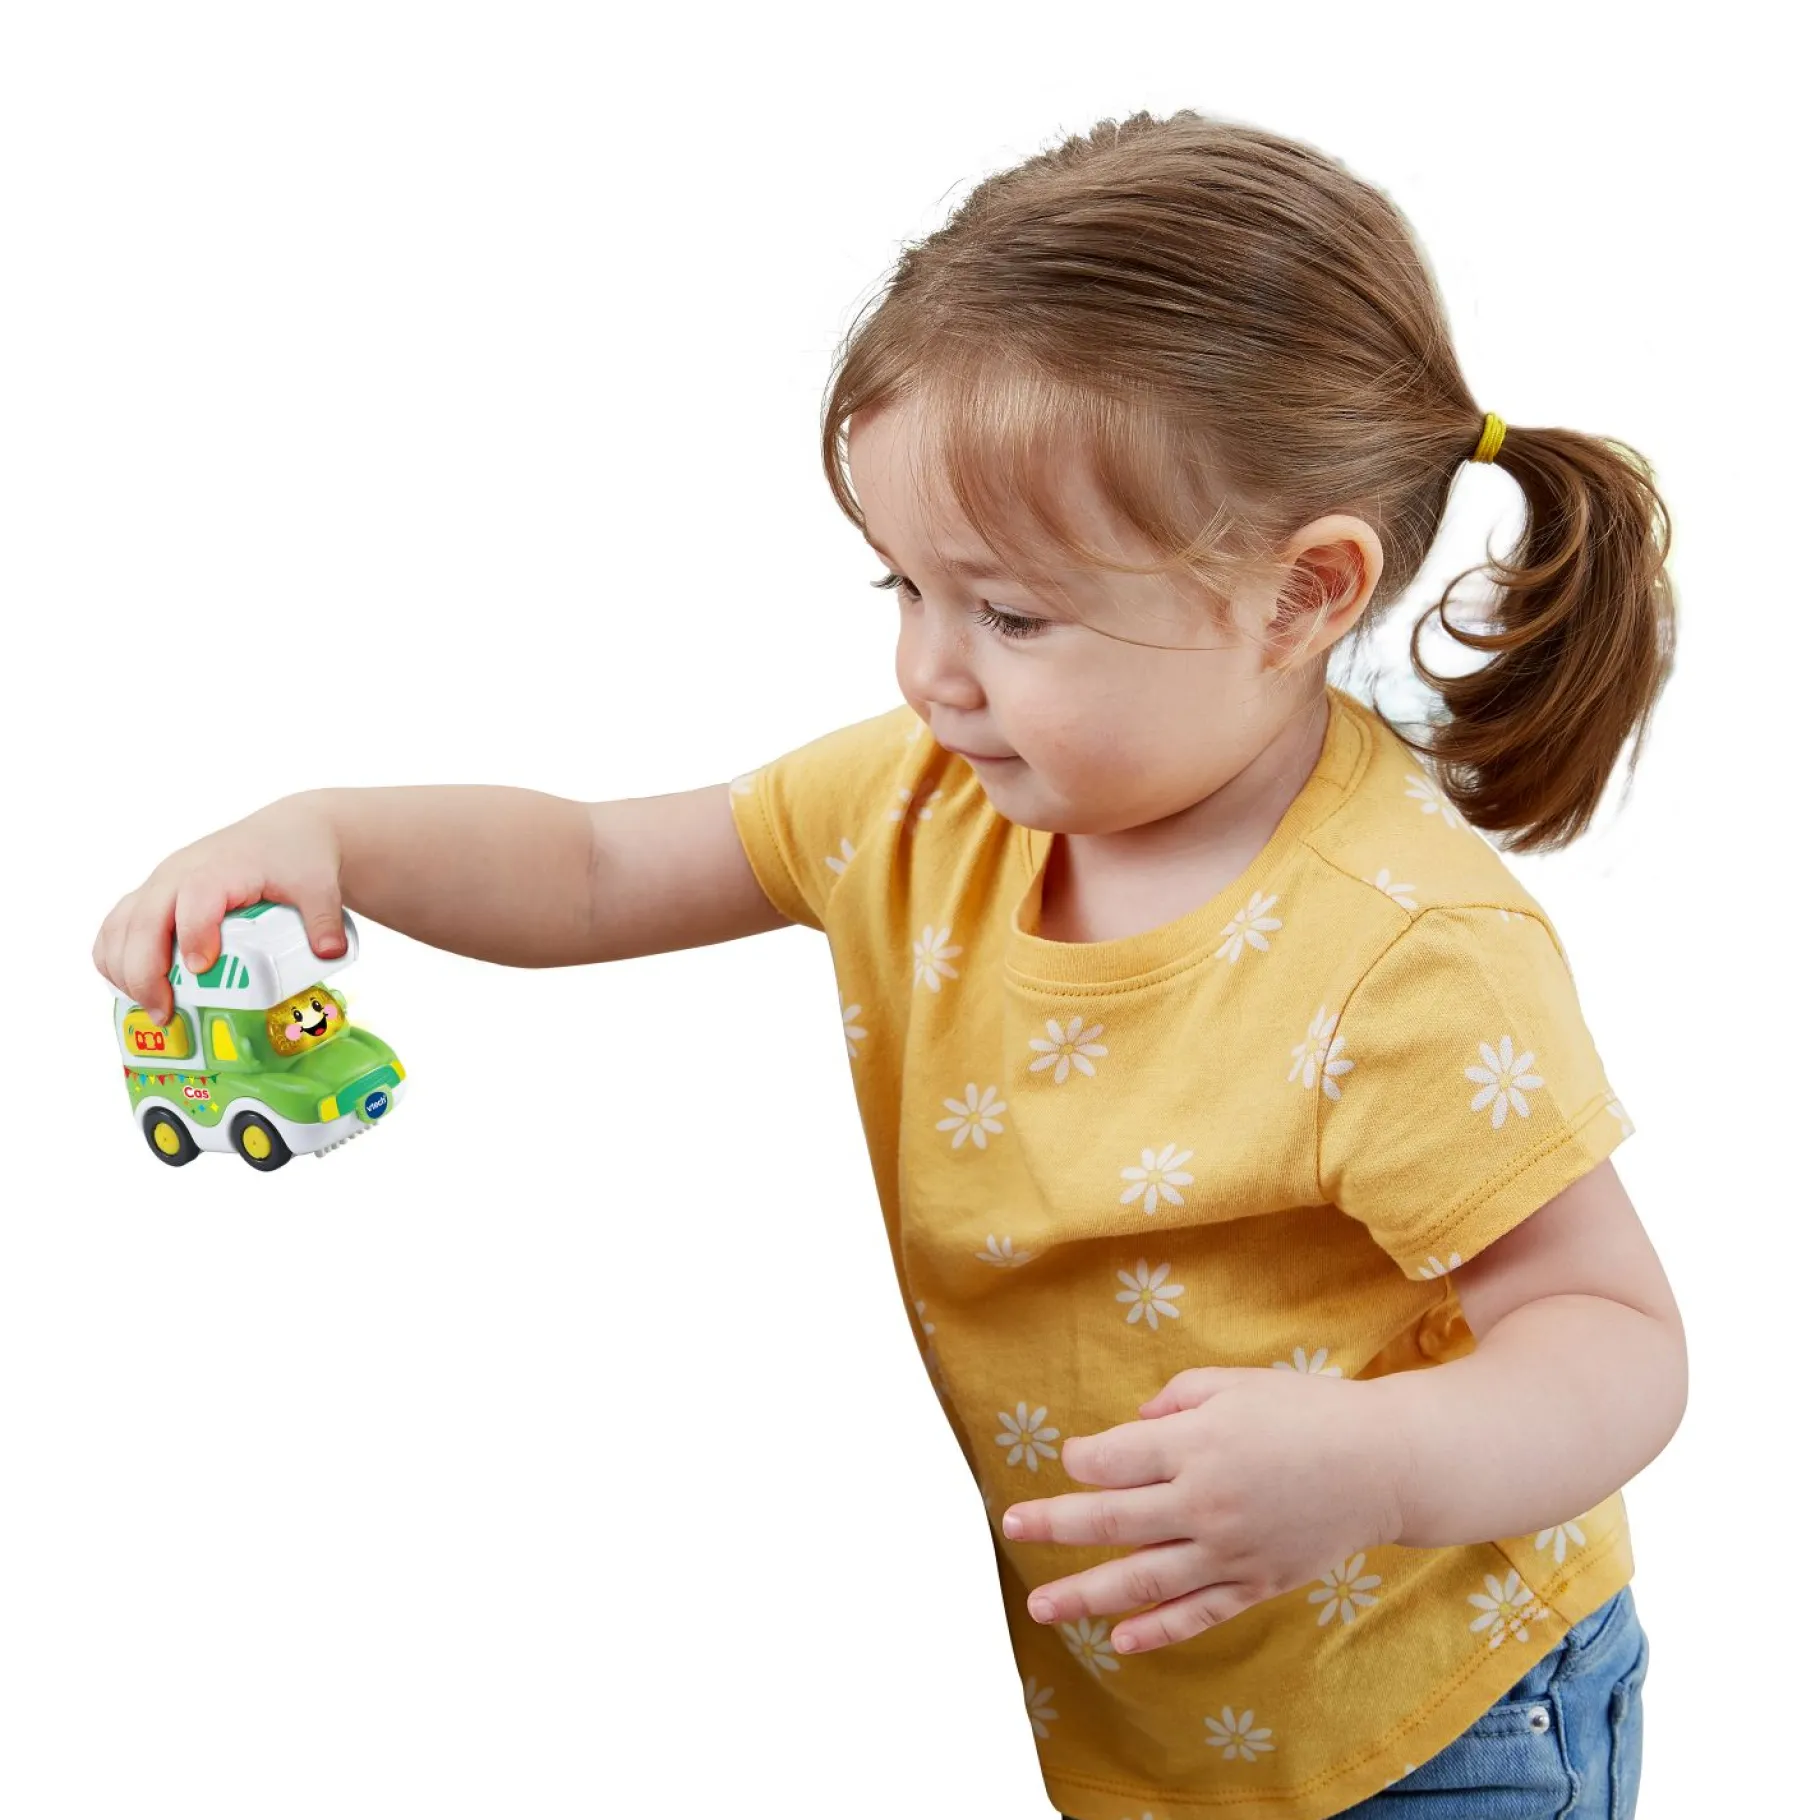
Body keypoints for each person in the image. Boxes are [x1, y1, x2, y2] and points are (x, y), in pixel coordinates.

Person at [92, 110, 1684, 1820]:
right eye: (904, 586)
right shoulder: (927, 804)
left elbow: (1612, 1335)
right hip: (1168, 1716)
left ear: (1300, 596)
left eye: (1011, 614)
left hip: (1434, 1721)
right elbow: (598, 867)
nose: (932, 669)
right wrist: (330, 834)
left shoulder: (1401, 951)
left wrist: (1375, 1464)